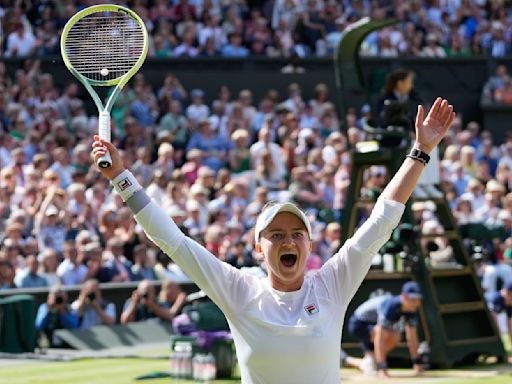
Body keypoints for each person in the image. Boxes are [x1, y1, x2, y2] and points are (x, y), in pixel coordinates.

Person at [92, 97, 454, 383]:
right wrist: (122, 177)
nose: (289, 241)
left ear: (309, 247)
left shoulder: (332, 283)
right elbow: (172, 240)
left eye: (298, 234)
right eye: (276, 235)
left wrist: (420, 152)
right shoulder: (238, 289)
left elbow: (382, 218)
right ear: (258, 247)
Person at [341, 282, 424, 377]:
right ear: (404, 297)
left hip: (372, 325)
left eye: (418, 299)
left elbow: (412, 337)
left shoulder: (411, 309)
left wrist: (417, 362)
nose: (416, 303)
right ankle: (374, 363)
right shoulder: (391, 306)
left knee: (395, 336)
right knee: (391, 335)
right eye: (413, 299)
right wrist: (382, 368)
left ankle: (352, 361)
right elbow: (379, 337)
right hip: (358, 324)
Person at [485, 282, 512, 350]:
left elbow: (509, 324)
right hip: (487, 311)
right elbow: (494, 322)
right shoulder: (496, 298)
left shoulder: (508, 302)